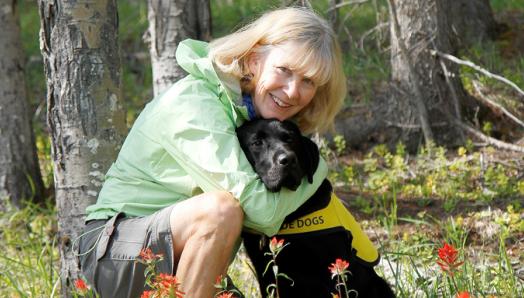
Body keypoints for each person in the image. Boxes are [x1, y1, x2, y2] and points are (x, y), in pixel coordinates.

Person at [77, 6, 346, 297]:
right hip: (118, 251)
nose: (294, 91)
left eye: (308, 81)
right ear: (255, 60)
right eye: (285, 70)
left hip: (177, 257)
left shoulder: (249, 117)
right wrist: (317, 170)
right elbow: (263, 212)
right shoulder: (195, 102)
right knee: (221, 211)